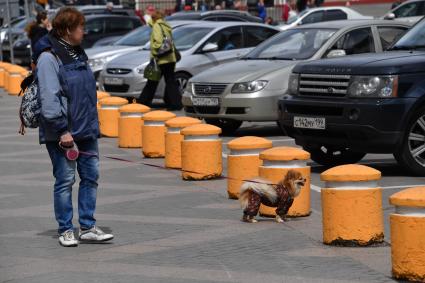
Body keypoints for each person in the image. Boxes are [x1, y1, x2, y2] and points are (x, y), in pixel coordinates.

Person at [33, 7, 114, 247]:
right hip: (63, 133)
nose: (84, 31)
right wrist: (62, 131)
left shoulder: (78, 53)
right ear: (68, 30)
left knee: (91, 176)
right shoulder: (49, 57)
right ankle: (66, 229)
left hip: (86, 129)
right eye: (81, 27)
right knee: (66, 179)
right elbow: (49, 99)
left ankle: (87, 227)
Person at [139, 11, 182, 110]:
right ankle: (175, 104)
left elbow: (158, 42)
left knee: (152, 81)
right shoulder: (165, 26)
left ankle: (143, 103)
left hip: (161, 59)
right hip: (170, 58)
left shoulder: (157, 26)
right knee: (170, 82)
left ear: (153, 18)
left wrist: (153, 50)